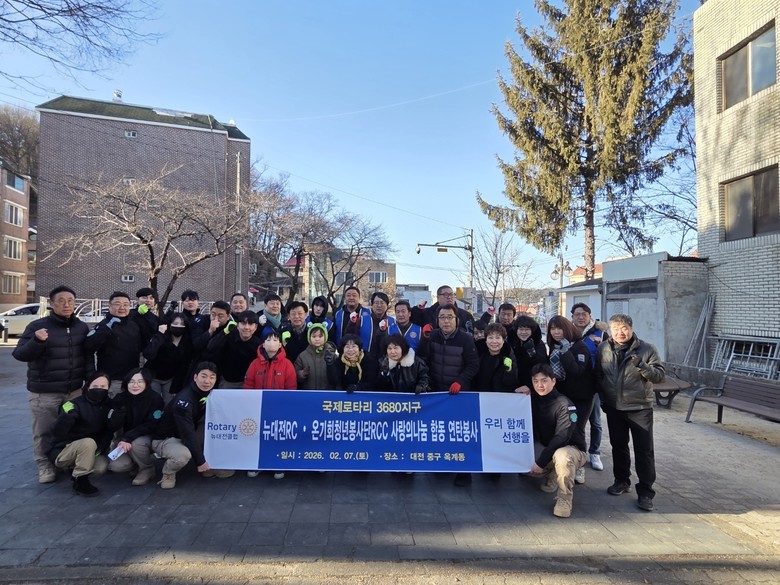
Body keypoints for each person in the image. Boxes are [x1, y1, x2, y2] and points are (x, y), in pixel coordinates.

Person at [13, 285, 93, 483]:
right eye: (61, 301)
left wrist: (89, 381)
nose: (66, 305)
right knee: (44, 431)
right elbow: (20, 354)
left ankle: (66, 461)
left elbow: (87, 357)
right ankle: (45, 465)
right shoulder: (37, 326)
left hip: (74, 391)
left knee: (73, 428)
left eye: (70, 301)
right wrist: (37, 341)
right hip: (45, 392)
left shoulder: (81, 327)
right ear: (51, 303)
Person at [596, 314, 665, 512]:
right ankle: (621, 481)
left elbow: (659, 376)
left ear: (631, 329)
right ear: (610, 330)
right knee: (618, 446)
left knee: (644, 450)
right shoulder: (604, 348)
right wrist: (604, 399)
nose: (620, 332)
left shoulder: (647, 349)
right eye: (616, 328)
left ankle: (646, 492)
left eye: (624, 328)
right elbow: (599, 375)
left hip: (639, 407)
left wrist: (642, 366)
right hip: (614, 407)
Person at [416, 303, 479, 487]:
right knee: (440, 431)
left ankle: (464, 472)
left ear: (456, 319)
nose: (446, 321)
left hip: (458, 392)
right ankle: (443, 463)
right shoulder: (433, 335)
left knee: (460, 433)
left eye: (450, 317)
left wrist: (461, 381)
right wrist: (424, 339)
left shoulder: (466, 339)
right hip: (437, 391)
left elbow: (473, 364)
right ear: (437, 320)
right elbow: (422, 358)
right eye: (442, 317)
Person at [528, 364, 587, 518]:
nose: (540, 385)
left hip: (571, 449)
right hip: (548, 447)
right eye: (535, 381)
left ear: (553, 381)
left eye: (544, 381)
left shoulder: (565, 405)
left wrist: (540, 462)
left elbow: (562, 438)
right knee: (525, 466)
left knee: (562, 456)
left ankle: (564, 499)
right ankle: (553, 473)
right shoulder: (533, 398)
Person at [151, 362, 222, 488]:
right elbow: (187, 433)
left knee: (213, 430)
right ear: (195, 377)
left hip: (186, 433)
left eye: (212, 377)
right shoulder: (184, 400)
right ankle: (168, 473)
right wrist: (200, 461)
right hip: (166, 439)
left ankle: (209, 466)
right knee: (182, 455)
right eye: (203, 376)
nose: (207, 381)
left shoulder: (208, 393)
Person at [547, 315, 596, 485]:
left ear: (567, 328)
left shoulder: (579, 347)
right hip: (563, 396)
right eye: (552, 329)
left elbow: (577, 371)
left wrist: (566, 352)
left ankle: (580, 464)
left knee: (576, 430)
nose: (556, 332)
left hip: (581, 397)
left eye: (559, 328)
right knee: (562, 430)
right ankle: (563, 464)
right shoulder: (555, 346)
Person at [47, 372, 114, 496]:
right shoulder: (74, 404)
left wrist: (100, 449)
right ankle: (81, 480)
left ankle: (74, 469)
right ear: (88, 387)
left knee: (100, 467)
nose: (99, 389)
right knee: (88, 442)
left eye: (103, 387)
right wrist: (67, 418)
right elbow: (58, 433)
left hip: (91, 450)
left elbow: (108, 431)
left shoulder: (109, 405)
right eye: (95, 386)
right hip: (64, 450)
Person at [243, 330, 297, 480]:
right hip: (258, 408)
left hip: (279, 409)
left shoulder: (287, 364)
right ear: (263, 344)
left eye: (274, 340)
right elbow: (248, 385)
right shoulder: (255, 364)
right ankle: (258, 464)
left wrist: (285, 407)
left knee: (277, 436)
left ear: (280, 344)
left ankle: (278, 464)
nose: (271, 343)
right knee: (258, 436)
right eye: (268, 340)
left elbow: (291, 388)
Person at [106, 367, 164, 486]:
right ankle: (136, 464)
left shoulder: (155, 398)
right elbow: (111, 424)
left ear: (147, 383)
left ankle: (147, 469)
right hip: (124, 439)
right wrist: (119, 413)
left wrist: (128, 437)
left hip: (146, 436)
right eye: (131, 382)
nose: (135, 385)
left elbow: (152, 424)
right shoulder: (120, 398)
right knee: (116, 466)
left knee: (137, 443)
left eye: (140, 382)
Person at [84, 291, 146, 396]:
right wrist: (106, 330)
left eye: (125, 304)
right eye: (117, 304)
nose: (122, 307)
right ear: (109, 306)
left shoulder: (134, 325)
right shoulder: (103, 325)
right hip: (111, 380)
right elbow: (89, 346)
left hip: (132, 379)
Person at [571, 302, 608, 471]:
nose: (580, 317)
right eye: (577, 314)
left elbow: (610, 354)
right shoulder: (568, 332)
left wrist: (602, 345)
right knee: (576, 421)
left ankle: (595, 452)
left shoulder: (601, 333)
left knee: (596, 420)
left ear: (590, 316)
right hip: (574, 383)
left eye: (584, 314)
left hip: (594, 383)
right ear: (572, 317)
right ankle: (578, 452)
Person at [142, 313, 197, 404]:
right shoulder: (162, 337)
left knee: (169, 403)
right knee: (154, 402)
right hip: (153, 377)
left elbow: (184, 365)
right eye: (175, 323)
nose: (178, 326)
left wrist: (177, 386)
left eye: (182, 324)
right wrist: (159, 335)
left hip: (171, 379)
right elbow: (148, 354)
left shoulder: (187, 342)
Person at [205, 309, 260, 388]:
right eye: (243, 323)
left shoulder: (259, 344)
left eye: (250, 324)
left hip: (249, 383)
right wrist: (225, 331)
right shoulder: (228, 337)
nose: (246, 327)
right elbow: (210, 347)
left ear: (256, 327)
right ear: (237, 326)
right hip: (228, 382)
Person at [473, 323, 519, 392]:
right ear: (486, 340)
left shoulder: (509, 355)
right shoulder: (477, 354)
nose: (494, 341)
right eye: (490, 338)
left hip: (500, 395)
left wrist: (509, 371)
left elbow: (511, 383)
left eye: (497, 338)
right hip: (479, 395)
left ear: (503, 340)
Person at [411, 285, 475, 334]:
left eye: (451, 294)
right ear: (438, 297)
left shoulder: (465, 315)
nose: (449, 297)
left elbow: (473, 332)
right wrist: (417, 309)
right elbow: (412, 319)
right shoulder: (427, 313)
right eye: (445, 295)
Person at [509, 315, 548, 395]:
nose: (523, 332)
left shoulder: (538, 343)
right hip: (513, 384)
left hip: (532, 386)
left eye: (527, 329)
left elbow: (541, 365)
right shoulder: (512, 342)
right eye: (521, 329)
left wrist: (531, 352)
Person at [294, 323, 331, 390]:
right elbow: (295, 375)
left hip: (327, 393)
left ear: (325, 337)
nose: (317, 339)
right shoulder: (302, 356)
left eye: (320, 336)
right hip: (308, 393)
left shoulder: (332, 354)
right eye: (314, 336)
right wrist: (302, 374)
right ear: (309, 338)